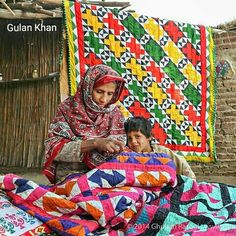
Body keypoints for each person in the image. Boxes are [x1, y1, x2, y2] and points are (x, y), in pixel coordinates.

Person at [43, 64, 126, 183]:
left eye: (110, 94)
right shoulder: (67, 109)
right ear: (88, 87)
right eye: (99, 91)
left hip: (104, 175)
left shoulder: (114, 114)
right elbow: (54, 151)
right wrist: (95, 143)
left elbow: (118, 150)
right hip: (69, 175)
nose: (104, 99)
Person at [124, 116, 196, 180]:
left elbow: (186, 171)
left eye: (137, 136)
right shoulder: (127, 156)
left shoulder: (162, 153)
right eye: (130, 138)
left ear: (149, 136)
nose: (133, 141)